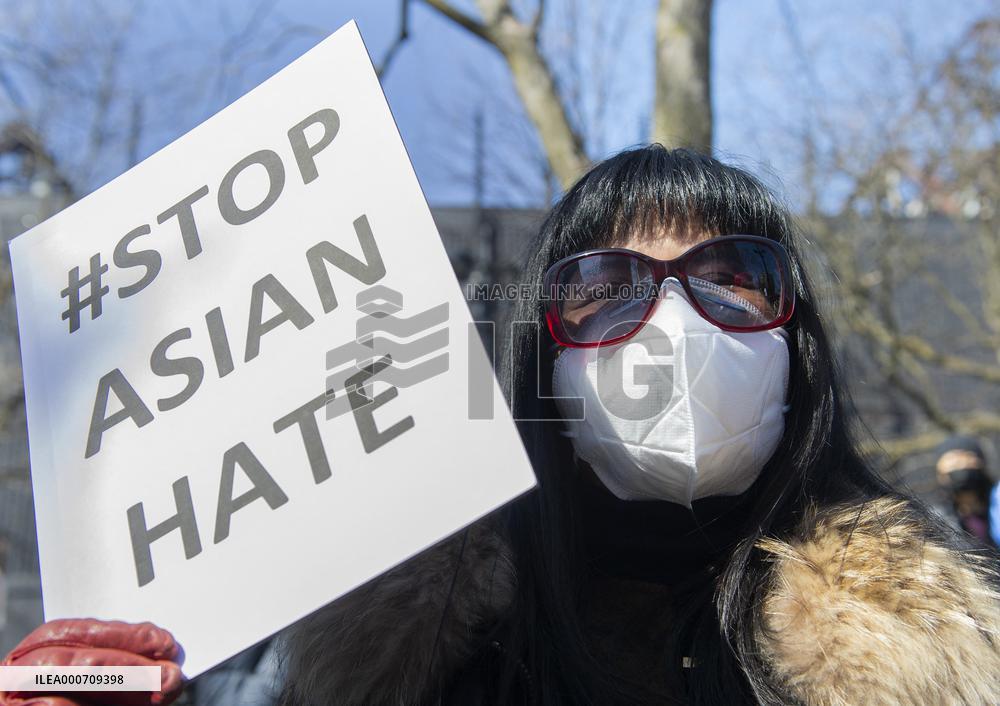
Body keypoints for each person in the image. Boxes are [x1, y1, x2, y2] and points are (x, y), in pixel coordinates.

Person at [4, 147, 999, 706]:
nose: (676, 326)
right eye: (606, 290)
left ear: (802, 343)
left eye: (730, 281)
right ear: (542, 358)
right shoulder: (382, 663)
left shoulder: (947, 666)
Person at [934, 435, 999, 548]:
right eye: (953, 461)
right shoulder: (936, 519)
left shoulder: (996, 502)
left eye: (967, 458)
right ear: (940, 473)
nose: (961, 465)